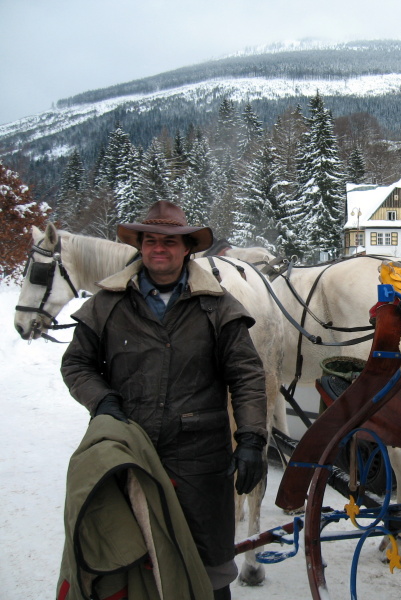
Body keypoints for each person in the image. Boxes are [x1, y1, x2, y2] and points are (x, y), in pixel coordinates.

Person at [61, 200, 268, 600]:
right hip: (128, 454)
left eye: (170, 242)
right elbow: (77, 365)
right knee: (132, 564)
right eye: (151, 240)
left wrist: (253, 440)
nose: (160, 248)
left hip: (200, 462)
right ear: (140, 246)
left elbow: (247, 376)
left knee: (208, 573)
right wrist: (103, 403)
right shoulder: (107, 303)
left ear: (187, 248)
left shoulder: (218, 306)